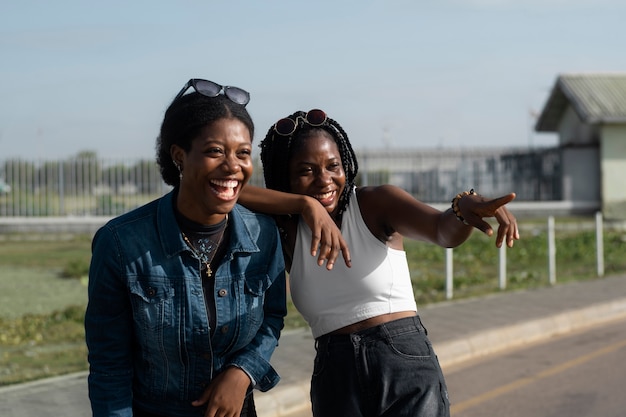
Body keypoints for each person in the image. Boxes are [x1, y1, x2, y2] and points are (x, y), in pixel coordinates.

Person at [239, 108, 520, 417]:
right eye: (306, 171)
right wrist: (304, 205)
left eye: (333, 166)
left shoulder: (373, 204)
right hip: (335, 375)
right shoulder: (286, 229)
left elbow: (442, 231)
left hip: (402, 362)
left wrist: (464, 208)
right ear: (285, 178)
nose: (324, 180)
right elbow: (230, 192)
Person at [84, 79, 287, 417]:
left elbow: (272, 316)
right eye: (214, 151)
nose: (233, 166)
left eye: (243, 153)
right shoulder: (121, 244)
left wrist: (243, 372)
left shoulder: (263, 234)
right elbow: (109, 365)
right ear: (179, 156)